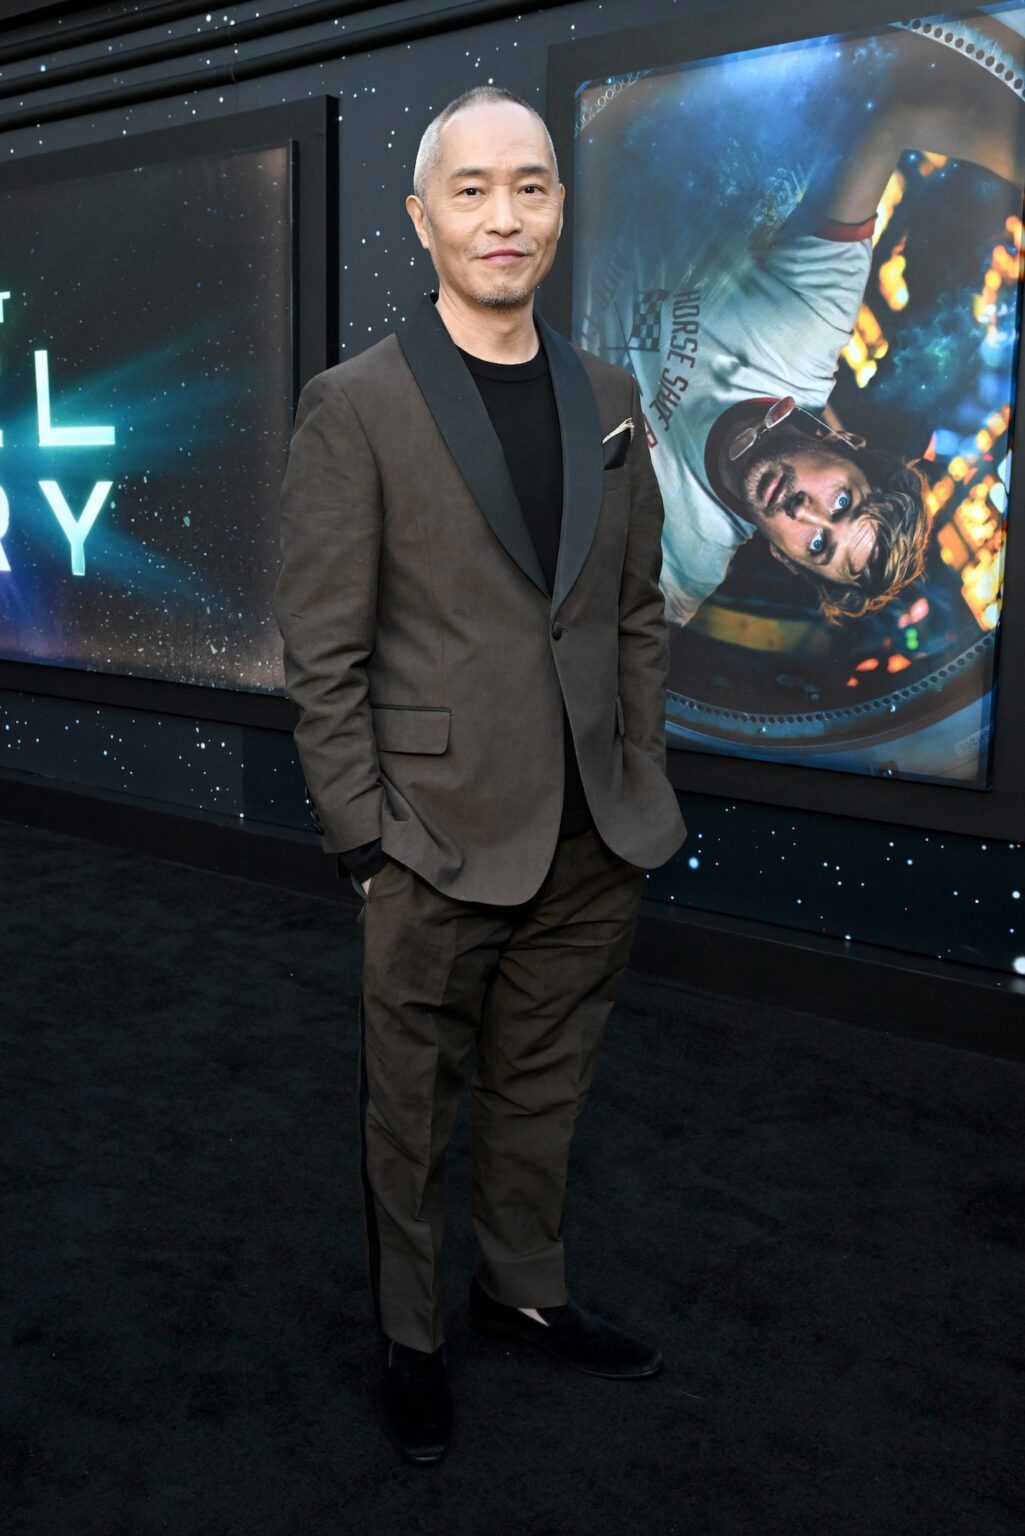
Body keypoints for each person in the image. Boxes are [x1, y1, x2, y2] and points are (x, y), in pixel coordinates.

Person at [273, 85, 686, 1466]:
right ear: (422, 218)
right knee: (412, 1112)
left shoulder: (614, 397)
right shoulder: (356, 406)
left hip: (594, 838)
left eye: (530, 186)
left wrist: (633, 774)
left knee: (545, 1088)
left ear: (561, 210)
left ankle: (523, 1293)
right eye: (471, 190)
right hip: (431, 841)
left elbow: (631, 612)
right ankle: (411, 1338)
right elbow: (320, 649)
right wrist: (363, 842)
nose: (503, 214)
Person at [577, 14, 1025, 626]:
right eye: (842, 500)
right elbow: (887, 117)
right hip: (599, 132)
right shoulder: (809, 328)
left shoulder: (682, 569)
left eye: (818, 546)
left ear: (790, 562)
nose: (805, 512)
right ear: (845, 446)